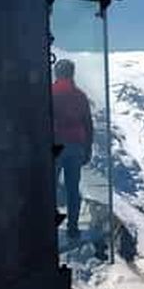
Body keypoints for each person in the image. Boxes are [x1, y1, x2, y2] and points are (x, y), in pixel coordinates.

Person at [52, 59, 93, 237]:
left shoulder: (50, 93)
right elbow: (88, 124)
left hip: (55, 145)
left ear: (56, 73)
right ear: (72, 73)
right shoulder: (80, 96)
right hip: (76, 145)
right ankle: (73, 227)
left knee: (50, 187)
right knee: (72, 189)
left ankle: (50, 225)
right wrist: (87, 148)